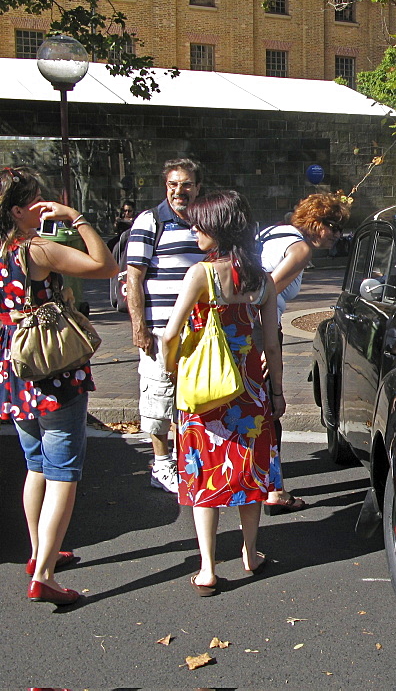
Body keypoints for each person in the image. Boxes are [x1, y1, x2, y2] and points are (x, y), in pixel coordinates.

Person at [0, 167, 118, 605]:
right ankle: (46, 575)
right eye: (35, 199)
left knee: (35, 464)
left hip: (15, 367)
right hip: (52, 369)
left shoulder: (3, 249)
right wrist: (76, 218)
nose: (44, 203)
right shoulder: (37, 250)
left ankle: (39, 554)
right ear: (17, 209)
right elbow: (105, 266)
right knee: (63, 469)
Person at [163, 190, 284, 595]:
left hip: (206, 391)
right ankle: (251, 554)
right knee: (248, 471)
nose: (193, 230)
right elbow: (272, 345)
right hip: (250, 389)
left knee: (205, 474)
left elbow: (169, 334)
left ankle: (209, 568)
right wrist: (278, 392)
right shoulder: (262, 280)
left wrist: (170, 370)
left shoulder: (201, 275)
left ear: (217, 229)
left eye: (200, 225)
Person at [257, 192, 348, 514]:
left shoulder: (273, 232)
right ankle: (274, 490)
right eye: (333, 226)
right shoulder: (299, 247)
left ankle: (257, 483)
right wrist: (267, 344)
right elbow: (263, 294)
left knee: (252, 408)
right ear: (316, 222)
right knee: (271, 407)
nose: (337, 234)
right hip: (259, 327)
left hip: (244, 327)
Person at [126, 158, 206, 494]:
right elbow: (134, 276)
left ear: (197, 188)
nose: (179, 192)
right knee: (159, 397)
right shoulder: (151, 220)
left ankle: (186, 460)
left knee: (192, 398)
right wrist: (139, 328)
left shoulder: (204, 221)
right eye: (173, 185)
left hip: (199, 330)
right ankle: (161, 466)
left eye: (186, 184)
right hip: (159, 331)